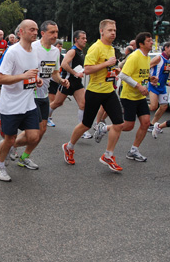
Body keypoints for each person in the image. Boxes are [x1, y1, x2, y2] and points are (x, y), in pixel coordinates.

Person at [62, 20, 125, 171]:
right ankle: (69, 146)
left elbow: (107, 67)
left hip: (109, 91)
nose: (113, 33)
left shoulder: (111, 48)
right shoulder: (95, 48)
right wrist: (106, 64)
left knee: (119, 123)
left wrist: (113, 72)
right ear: (101, 31)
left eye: (114, 30)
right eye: (110, 30)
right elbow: (88, 70)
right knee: (86, 124)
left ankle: (108, 155)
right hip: (95, 92)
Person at [10, 20, 68, 170]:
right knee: (34, 131)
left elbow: (54, 73)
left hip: (44, 95)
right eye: (52, 32)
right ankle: (9, 144)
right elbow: (22, 69)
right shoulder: (33, 48)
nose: (55, 35)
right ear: (43, 33)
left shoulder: (56, 52)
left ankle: (22, 155)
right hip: (30, 94)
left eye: (56, 32)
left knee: (42, 130)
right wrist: (33, 79)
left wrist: (61, 81)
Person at [0, 20, 41, 182]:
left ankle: (8, 146)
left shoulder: (35, 51)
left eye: (36, 30)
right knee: (10, 138)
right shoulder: (12, 51)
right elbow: (0, 78)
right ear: (21, 32)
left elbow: (31, 73)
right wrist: (23, 77)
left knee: (34, 136)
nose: (35, 32)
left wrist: (36, 79)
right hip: (11, 104)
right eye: (31, 30)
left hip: (28, 103)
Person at [116, 32, 158, 162]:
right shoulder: (134, 56)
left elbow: (140, 75)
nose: (152, 42)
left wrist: (150, 79)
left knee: (145, 123)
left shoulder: (147, 58)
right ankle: (105, 128)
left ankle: (134, 150)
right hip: (129, 96)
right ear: (141, 44)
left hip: (139, 97)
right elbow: (123, 75)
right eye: (149, 41)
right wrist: (139, 86)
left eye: (152, 40)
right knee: (128, 126)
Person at [49, 30, 92, 138]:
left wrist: (82, 71)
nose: (85, 40)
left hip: (77, 83)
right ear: (76, 39)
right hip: (67, 81)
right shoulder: (72, 51)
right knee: (57, 103)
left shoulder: (81, 51)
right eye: (83, 38)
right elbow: (64, 64)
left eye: (85, 38)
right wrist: (75, 73)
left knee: (83, 104)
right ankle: (44, 117)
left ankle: (82, 130)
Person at [149, 42, 170, 131]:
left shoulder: (169, 61)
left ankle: (152, 124)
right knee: (153, 106)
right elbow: (146, 67)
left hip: (162, 87)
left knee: (164, 106)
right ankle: (137, 107)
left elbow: (167, 73)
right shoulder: (158, 58)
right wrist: (150, 78)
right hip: (154, 86)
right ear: (165, 48)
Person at [47, 39, 64, 127]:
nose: (60, 48)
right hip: (50, 80)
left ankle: (46, 116)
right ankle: (48, 118)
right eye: (58, 46)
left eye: (61, 46)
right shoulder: (50, 54)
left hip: (57, 79)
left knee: (57, 102)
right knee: (52, 100)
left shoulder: (60, 56)